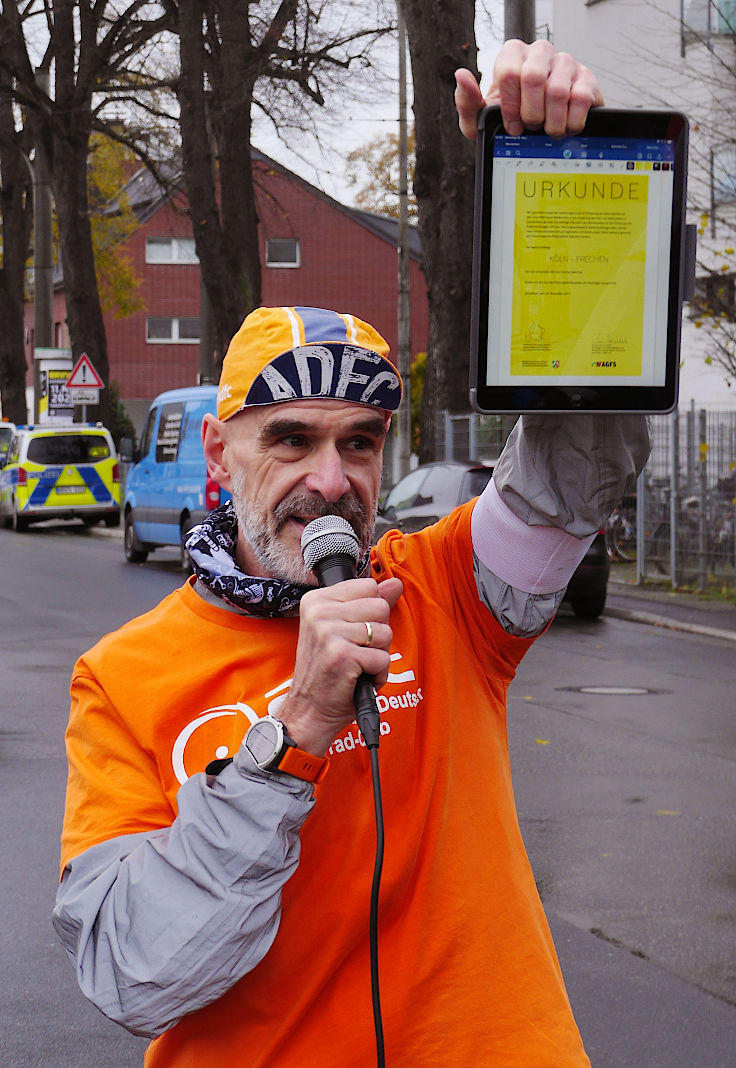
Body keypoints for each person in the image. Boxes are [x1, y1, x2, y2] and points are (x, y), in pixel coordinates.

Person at [53, 40, 647, 1066]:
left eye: (359, 444)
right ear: (216, 448)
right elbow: (134, 973)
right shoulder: (122, 678)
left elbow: (573, 468)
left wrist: (558, 194)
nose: (331, 480)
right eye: (290, 440)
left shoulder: (449, 591)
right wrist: (295, 736)